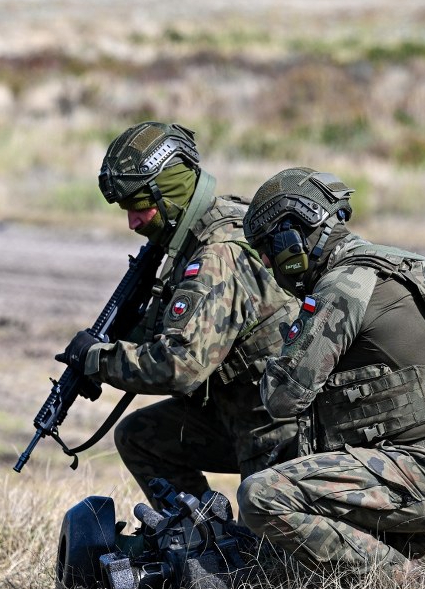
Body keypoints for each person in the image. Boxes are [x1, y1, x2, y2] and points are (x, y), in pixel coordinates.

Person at [236, 166, 425, 582]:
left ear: (293, 237)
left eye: (268, 248)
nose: (266, 262)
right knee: (300, 571)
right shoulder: (399, 264)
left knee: (263, 497)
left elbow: (282, 398)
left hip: (422, 472)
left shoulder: (343, 285)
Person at [55, 122, 299, 505]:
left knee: (266, 563)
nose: (133, 222)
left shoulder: (216, 255)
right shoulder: (212, 224)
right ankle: (203, 538)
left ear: (168, 194)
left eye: (138, 207)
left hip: (279, 430)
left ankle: (220, 555)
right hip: (245, 414)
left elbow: (178, 366)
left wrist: (97, 360)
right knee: (141, 436)